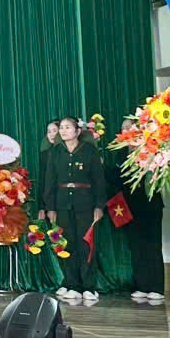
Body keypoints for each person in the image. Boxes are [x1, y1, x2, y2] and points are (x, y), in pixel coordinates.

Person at [45, 115, 106, 302]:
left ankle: (89, 286)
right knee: (67, 244)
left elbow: (99, 180)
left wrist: (99, 205)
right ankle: (72, 285)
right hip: (62, 204)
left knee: (86, 244)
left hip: (85, 204)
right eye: (61, 128)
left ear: (78, 131)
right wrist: (50, 207)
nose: (63, 131)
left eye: (68, 127)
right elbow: (50, 181)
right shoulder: (56, 152)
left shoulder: (89, 150)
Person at [115, 117, 165, 301]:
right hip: (130, 207)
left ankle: (156, 287)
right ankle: (142, 285)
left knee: (152, 245)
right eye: (123, 128)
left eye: (130, 127)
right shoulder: (121, 154)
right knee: (136, 246)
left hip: (150, 206)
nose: (126, 131)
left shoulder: (149, 148)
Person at [35, 120, 61, 220]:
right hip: (51, 204)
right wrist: (42, 207)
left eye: (54, 130)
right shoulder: (45, 154)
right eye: (49, 131)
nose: (51, 134)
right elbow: (43, 181)